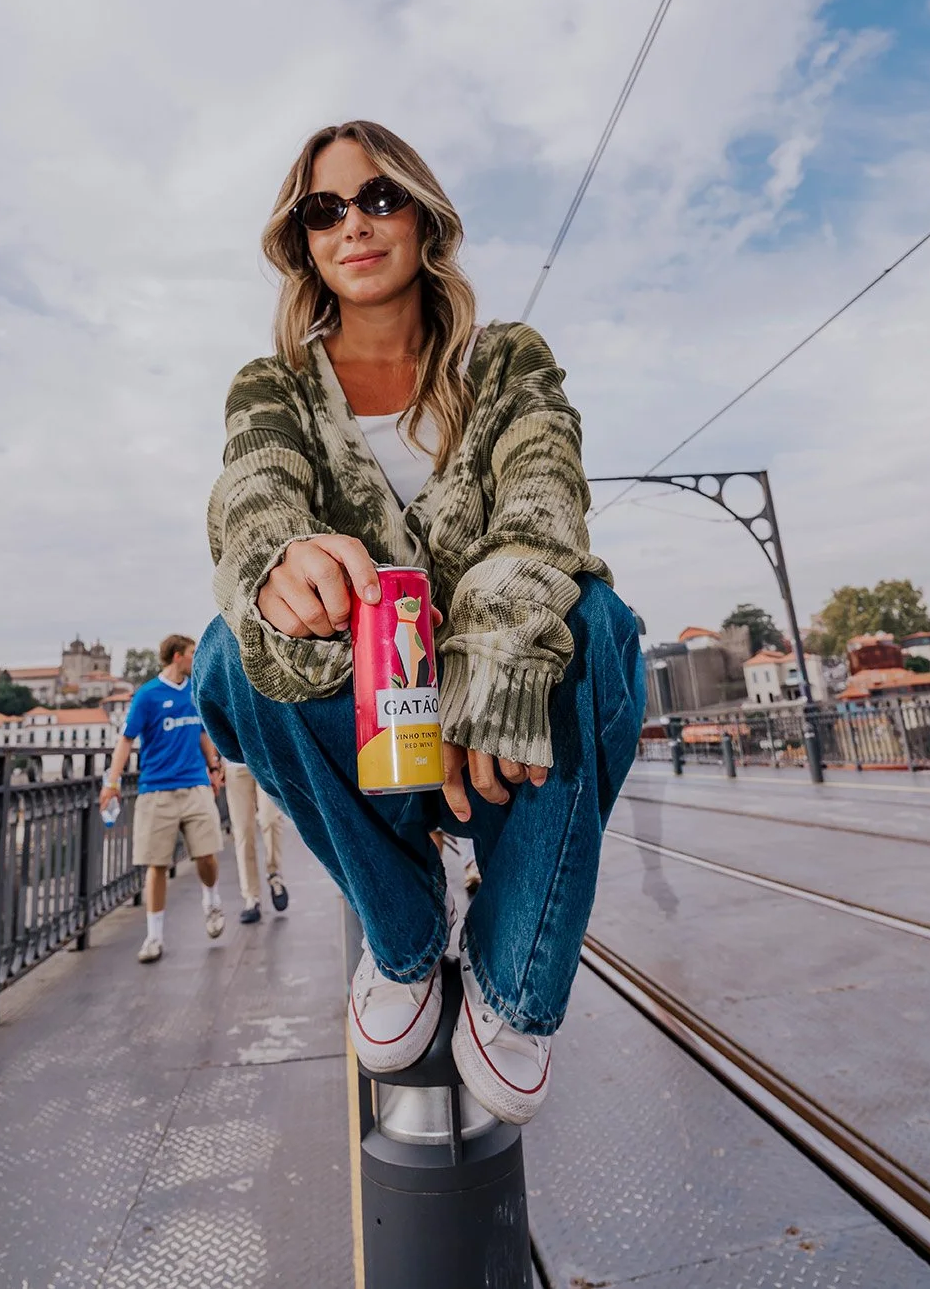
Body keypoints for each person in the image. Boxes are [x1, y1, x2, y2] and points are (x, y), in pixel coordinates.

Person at [192, 120, 645, 1124]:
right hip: (373, 750)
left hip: (501, 740)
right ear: (302, 239)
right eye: (323, 208)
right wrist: (279, 558)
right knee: (228, 653)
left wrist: (488, 663)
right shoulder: (273, 386)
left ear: (422, 214)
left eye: (376, 197)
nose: (352, 224)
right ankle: (403, 937)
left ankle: (513, 976)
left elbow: (543, 501)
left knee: (600, 619)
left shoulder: (510, 359)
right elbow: (251, 490)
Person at [102, 633, 227, 963]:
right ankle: (154, 937)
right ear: (177, 657)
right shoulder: (147, 696)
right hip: (156, 790)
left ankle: (211, 900)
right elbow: (126, 740)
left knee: (207, 854)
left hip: (196, 785)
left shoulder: (194, 691)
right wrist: (111, 782)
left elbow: (203, 732)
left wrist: (214, 767)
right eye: (191, 653)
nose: (195, 658)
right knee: (156, 865)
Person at [223, 756, 290, 923]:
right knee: (243, 831)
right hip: (234, 764)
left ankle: (274, 874)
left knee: (271, 819)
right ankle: (251, 897)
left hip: (263, 760)